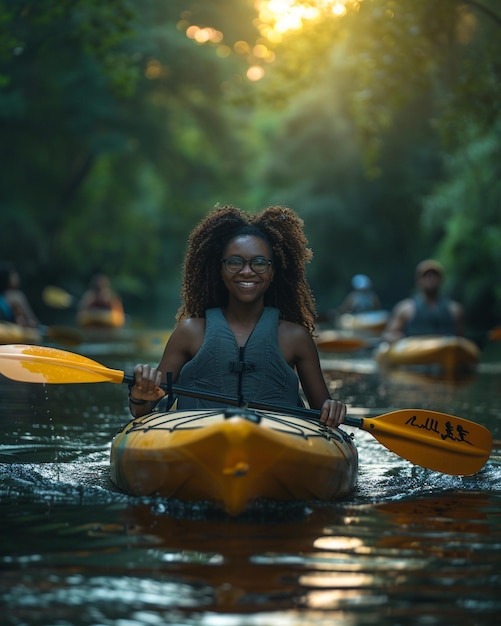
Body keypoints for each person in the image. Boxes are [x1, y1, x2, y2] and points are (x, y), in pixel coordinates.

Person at [127, 205, 347, 429]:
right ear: (220, 270)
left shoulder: (296, 338)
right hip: (195, 441)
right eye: (235, 262)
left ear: (273, 272)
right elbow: (141, 411)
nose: (247, 271)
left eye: (259, 263)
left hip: (276, 443)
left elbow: (324, 417)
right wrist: (140, 394)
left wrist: (333, 409)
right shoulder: (189, 332)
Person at [382, 259, 464, 343]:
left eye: (434, 275)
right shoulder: (405, 309)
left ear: (441, 280)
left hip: (445, 353)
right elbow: (389, 334)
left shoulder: (454, 310)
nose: (431, 279)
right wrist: (397, 338)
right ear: (419, 280)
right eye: (426, 276)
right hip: (415, 353)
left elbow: (461, 339)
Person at [0, 261, 40, 327]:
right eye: (13, 274)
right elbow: (33, 321)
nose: (17, 276)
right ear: (7, 278)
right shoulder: (17, 296)